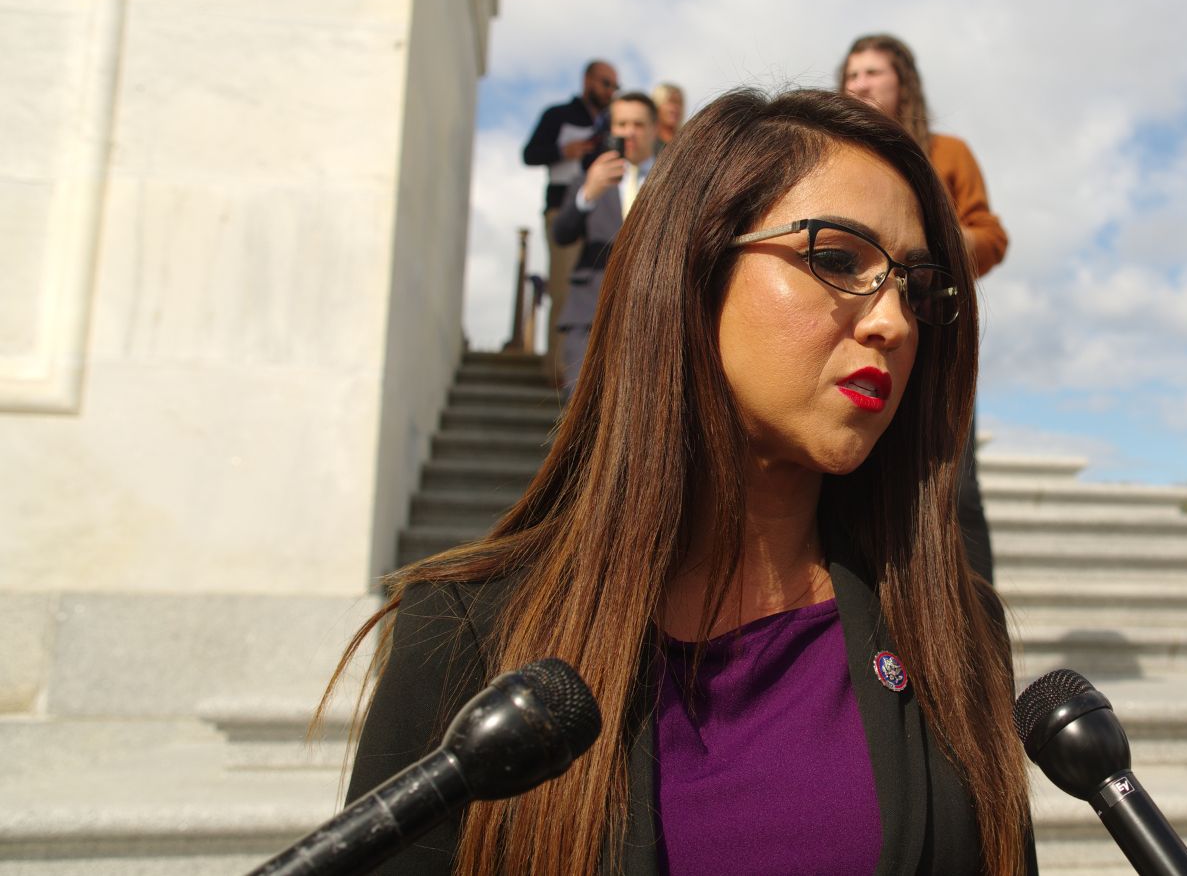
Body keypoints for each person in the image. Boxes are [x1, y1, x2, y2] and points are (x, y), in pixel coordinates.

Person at [327, 88, 1035, 875]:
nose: (893, 323)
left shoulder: (952, 631)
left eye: (916, 287)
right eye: (838, 260)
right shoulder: (464, 633)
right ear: (694, 268)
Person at [839, 33, 1007, 584]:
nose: (859, 84)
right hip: (851, 331)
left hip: (931, 334)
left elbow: (992, 235)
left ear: (902, 83)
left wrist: (937, 241)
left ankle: (982, 645)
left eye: (872, 73)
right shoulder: (831, 154)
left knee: (953, 488)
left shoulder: (947, 152)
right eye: (852, 74)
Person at [550, 91, 657, 393]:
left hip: (650, 315)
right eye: (621, 124)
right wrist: (588, 194)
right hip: (589, 314)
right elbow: (562, 234)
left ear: (652, 128)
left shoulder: (672, 182)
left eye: (637, 124)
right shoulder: (589, 178)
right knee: (580, 417)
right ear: (611, 129)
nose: (629, 132)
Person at [522, 60, 619, 378]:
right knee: (563, 290)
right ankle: (557, 372)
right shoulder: (558, 115)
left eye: (614, 86)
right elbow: (530, 154)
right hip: (563, 209)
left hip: (602, 214)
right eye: (606, 83)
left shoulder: (612, 122)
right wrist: (565, 150)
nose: (610, 91)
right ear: (588, 80)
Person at [651, 82, 684, 149]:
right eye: (671, 101)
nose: (675, 108)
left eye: (679, 103)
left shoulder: (685, 140)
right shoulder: (647, 142)